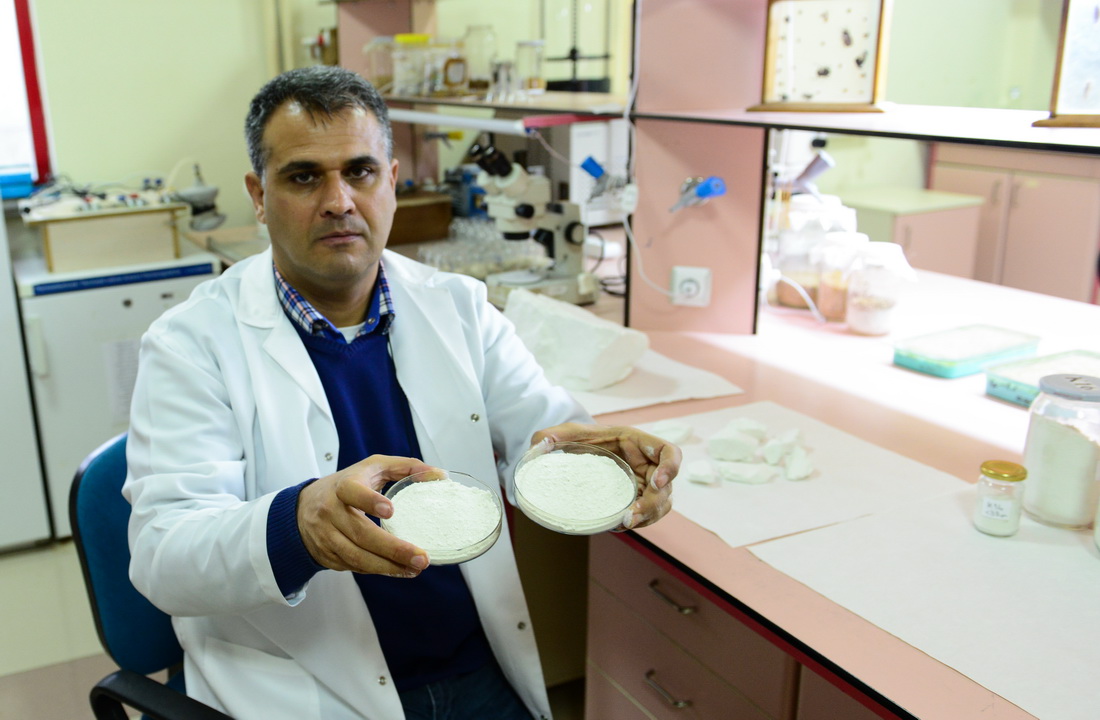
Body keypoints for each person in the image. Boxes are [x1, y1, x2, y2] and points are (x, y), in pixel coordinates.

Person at [123, 65, 679, 720]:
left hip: (475, 665)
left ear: (390, 181)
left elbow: (542, 428)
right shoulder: (191, 343)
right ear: (258, 194)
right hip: (309, 687)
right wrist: (298, 526)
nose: (338, 201)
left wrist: (602, 461)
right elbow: (162, 555)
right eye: (304, 177)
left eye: (359, 172)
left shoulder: (459, 307)